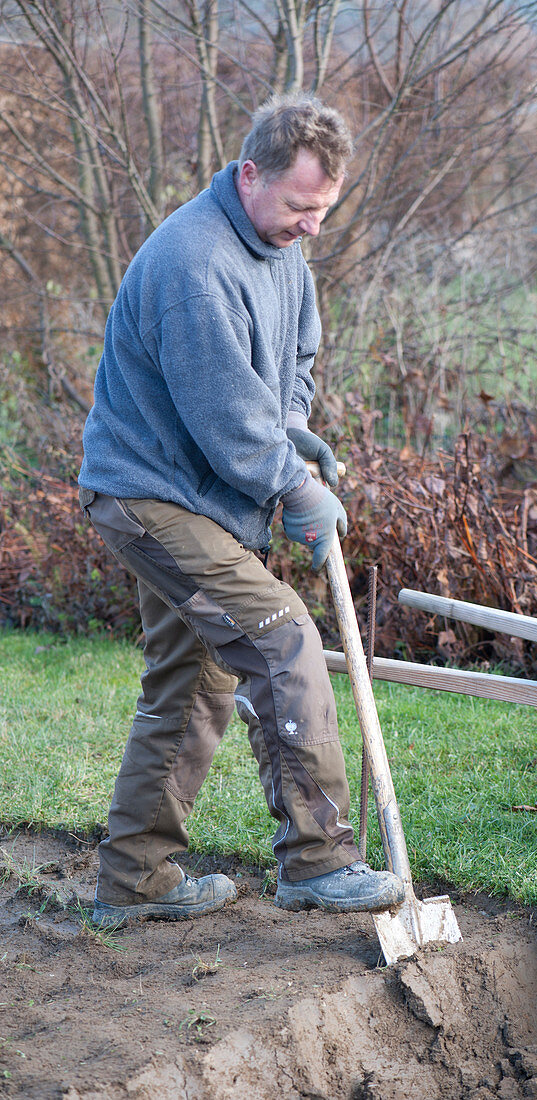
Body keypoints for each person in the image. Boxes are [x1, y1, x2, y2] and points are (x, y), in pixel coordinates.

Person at [78, 93, 404, 928]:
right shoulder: (195, 265)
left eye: (324, 211)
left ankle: (135, 878)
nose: (312, 227)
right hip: (149, 493)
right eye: (300, 207)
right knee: (281, 635)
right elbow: (226, 418)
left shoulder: (280, 249)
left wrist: (292, 432)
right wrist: (293, 485)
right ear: (249, 174)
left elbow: (297, 357)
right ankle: (318, 860)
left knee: (193, 677)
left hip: (197, 491)